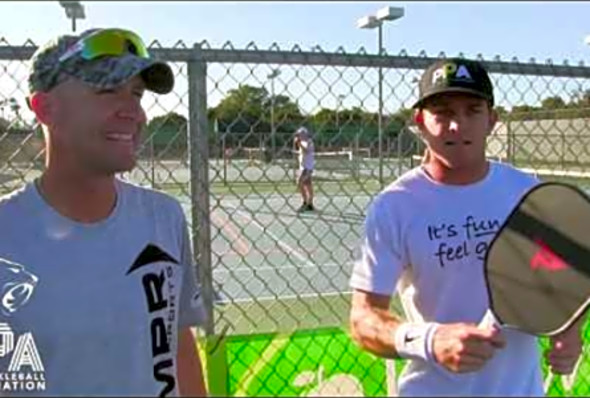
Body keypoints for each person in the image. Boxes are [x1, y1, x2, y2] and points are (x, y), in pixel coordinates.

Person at [349, 57, 584, 396]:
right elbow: (363, 320)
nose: (457, 126)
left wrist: (571, 329)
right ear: (420, 122)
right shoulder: (394, 206)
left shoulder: (526, 191)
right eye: (442, 113)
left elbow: (564, 276)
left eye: (472, 111)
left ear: (492, 120)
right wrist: (430, 340)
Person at [0, 28, 208, 396]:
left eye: (137, 94)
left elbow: (177, 344)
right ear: (45, 108)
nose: (134, 112)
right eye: (107, 90)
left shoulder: (165, 218)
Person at [293, 126, 315, 212]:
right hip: (303, 167)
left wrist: (299, 144)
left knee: (300, 182)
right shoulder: (302, 142)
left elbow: (306, 151)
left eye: (300, 134)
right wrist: (298, 144)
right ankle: (310, 204)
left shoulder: (309, 142)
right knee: (307, 185)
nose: (299, 136)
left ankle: (306, 202)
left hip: (307, 167)